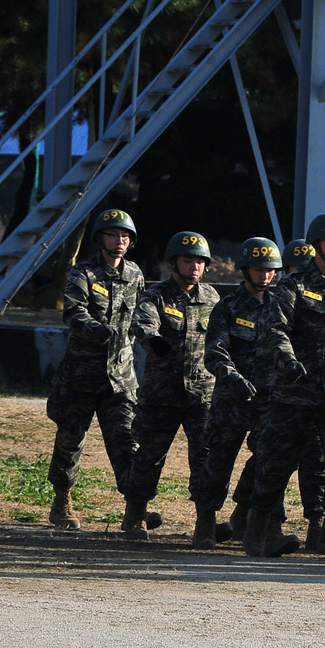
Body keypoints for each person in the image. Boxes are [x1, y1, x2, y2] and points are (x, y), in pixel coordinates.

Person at [254, 213, 325, 554]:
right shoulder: (293, 285)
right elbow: (275, 329)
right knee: (277, 462)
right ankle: (262, 531)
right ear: (317, 246)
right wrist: (287, 360)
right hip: (295, 392)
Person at [193, 238, 303, 552]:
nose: (264, 275)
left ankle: (261, 522)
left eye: (270, 270)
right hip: (232, 400)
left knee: (271, 461)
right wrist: (233, 377)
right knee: (218, 461)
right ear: (245, 269)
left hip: (271, 400)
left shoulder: (282, 306)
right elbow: (214, 352)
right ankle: (205, 522)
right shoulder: (227, 307)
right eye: (258, 269)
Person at [46, 209, 144, 531]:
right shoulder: (82, 273)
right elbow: (73, 312)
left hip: (120, 378)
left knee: (127, 441)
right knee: (70, 440)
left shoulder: (135, 275)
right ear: (100, 239)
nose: (120, 242)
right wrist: (96, 328)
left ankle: (134, 511)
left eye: (125, 236)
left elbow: (142, 317)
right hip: (82, 376)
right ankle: (62, 502)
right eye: (113, 235)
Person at [123, 231, 219, 541]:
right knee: (149, 456)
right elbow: (141, 321)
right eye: (187, 261)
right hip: (162, 393)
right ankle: (135, 516)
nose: (194, 267)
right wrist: (153, 338)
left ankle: (205, 522)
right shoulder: (156, 295)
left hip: (202, 395)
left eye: (199, 262)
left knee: (205, 459)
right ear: (173, 262)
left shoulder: (212, 298)